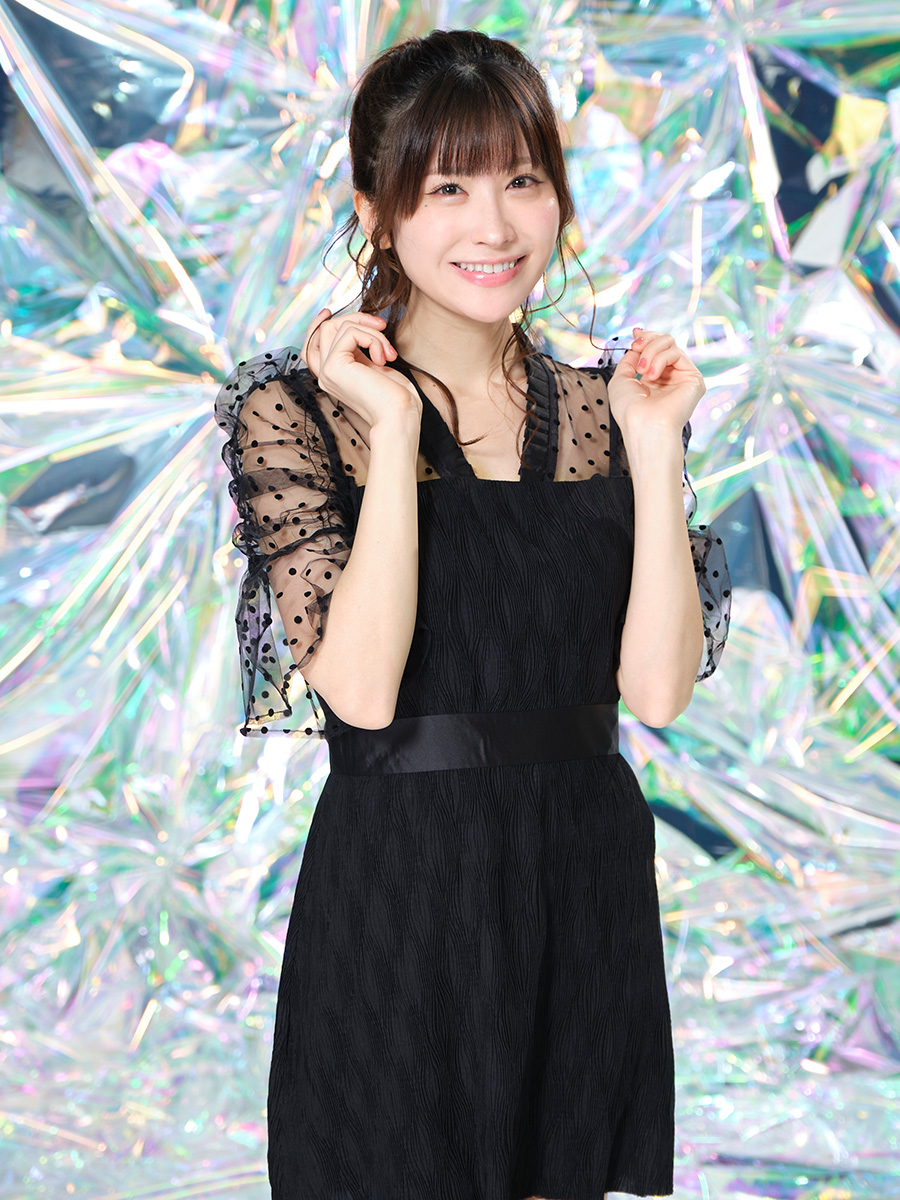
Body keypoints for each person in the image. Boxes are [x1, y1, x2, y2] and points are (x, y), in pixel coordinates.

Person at [215, 27, 731, 1200]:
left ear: (559, 198)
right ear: (377, 211)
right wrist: (394, 427)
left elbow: (655, 694)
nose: (492, 226)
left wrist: (657, 451)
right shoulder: (299, 415)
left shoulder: (610, 410)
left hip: (582, 887)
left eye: (522, 180)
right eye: (447, 187)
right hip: (404, 891)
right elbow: (361, 692)